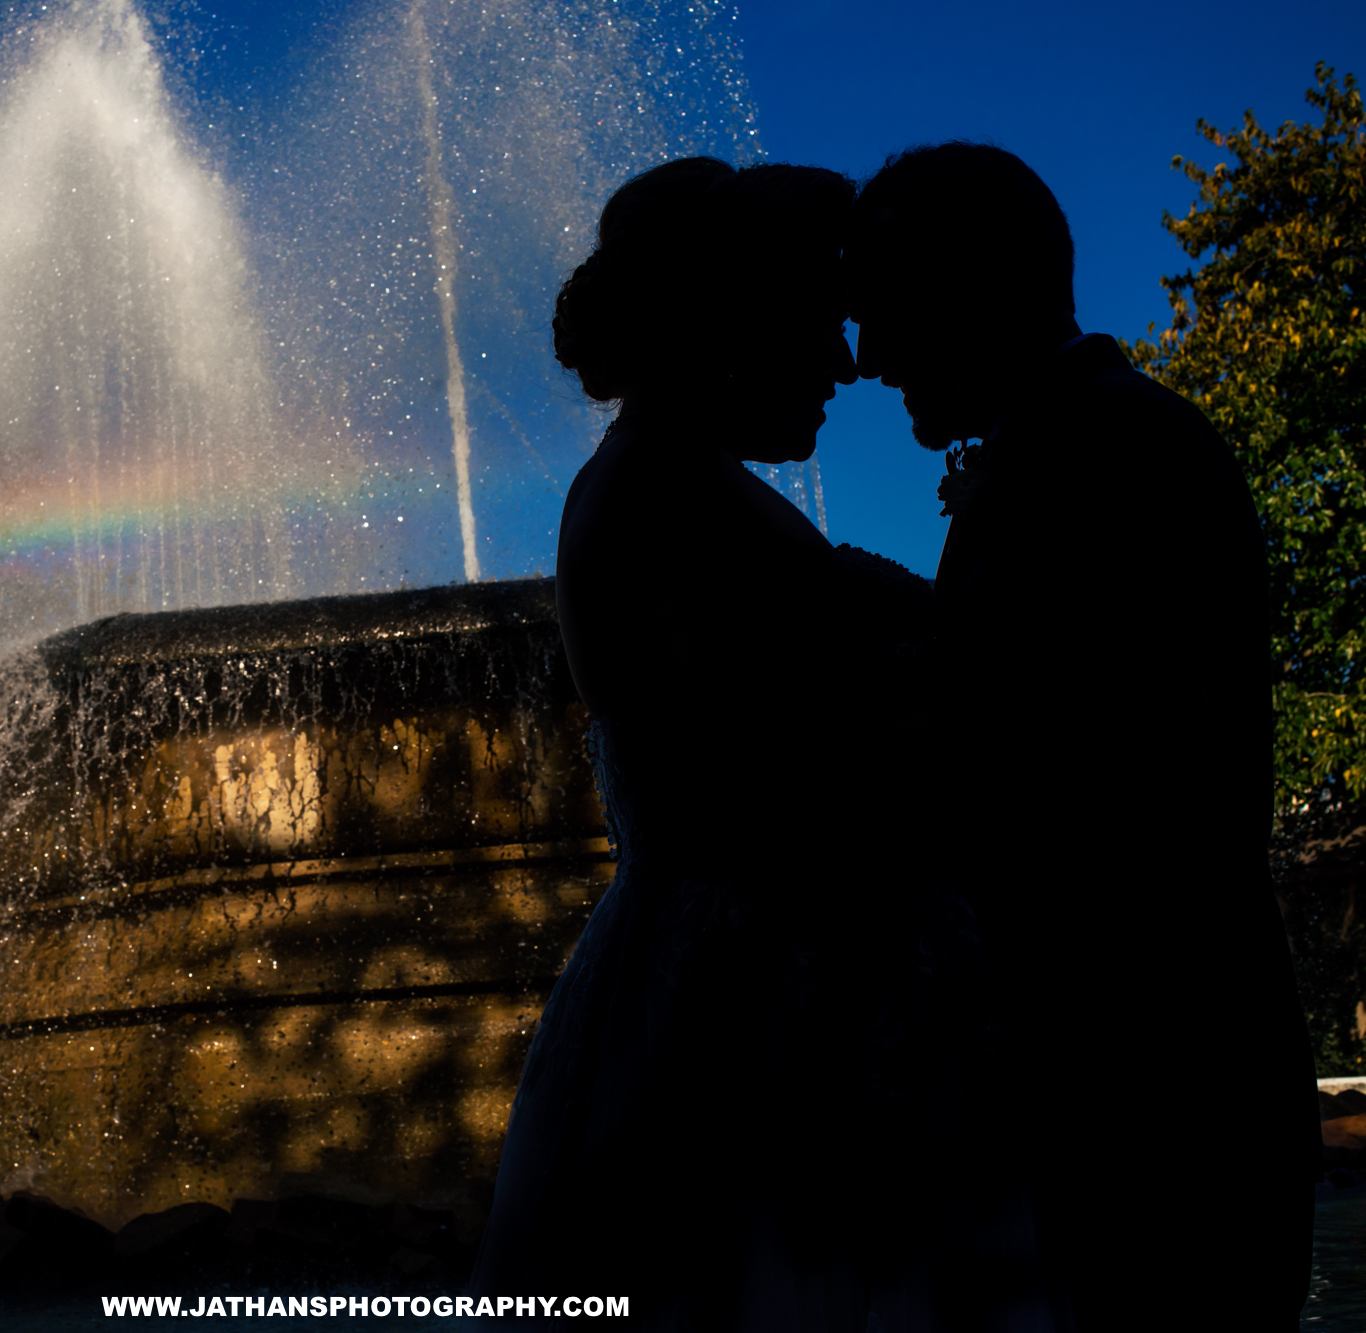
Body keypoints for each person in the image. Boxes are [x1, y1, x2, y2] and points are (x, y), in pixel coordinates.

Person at [473, 157, 965, 1329]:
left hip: (716, 983)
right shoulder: (671, 497)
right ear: (731, 322)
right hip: (752, 1011)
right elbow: (824, 756)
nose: (844, 362)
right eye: (814, 319)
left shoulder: (660, 485)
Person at [845, 140, 1316, 1331]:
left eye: (889, 301)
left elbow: (1132, 750)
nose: (869, 353)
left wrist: (915, 679)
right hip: (1140, 1069)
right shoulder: (1089, 438)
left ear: (990, 271)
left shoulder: (1109, 448)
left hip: (1151, 1084)